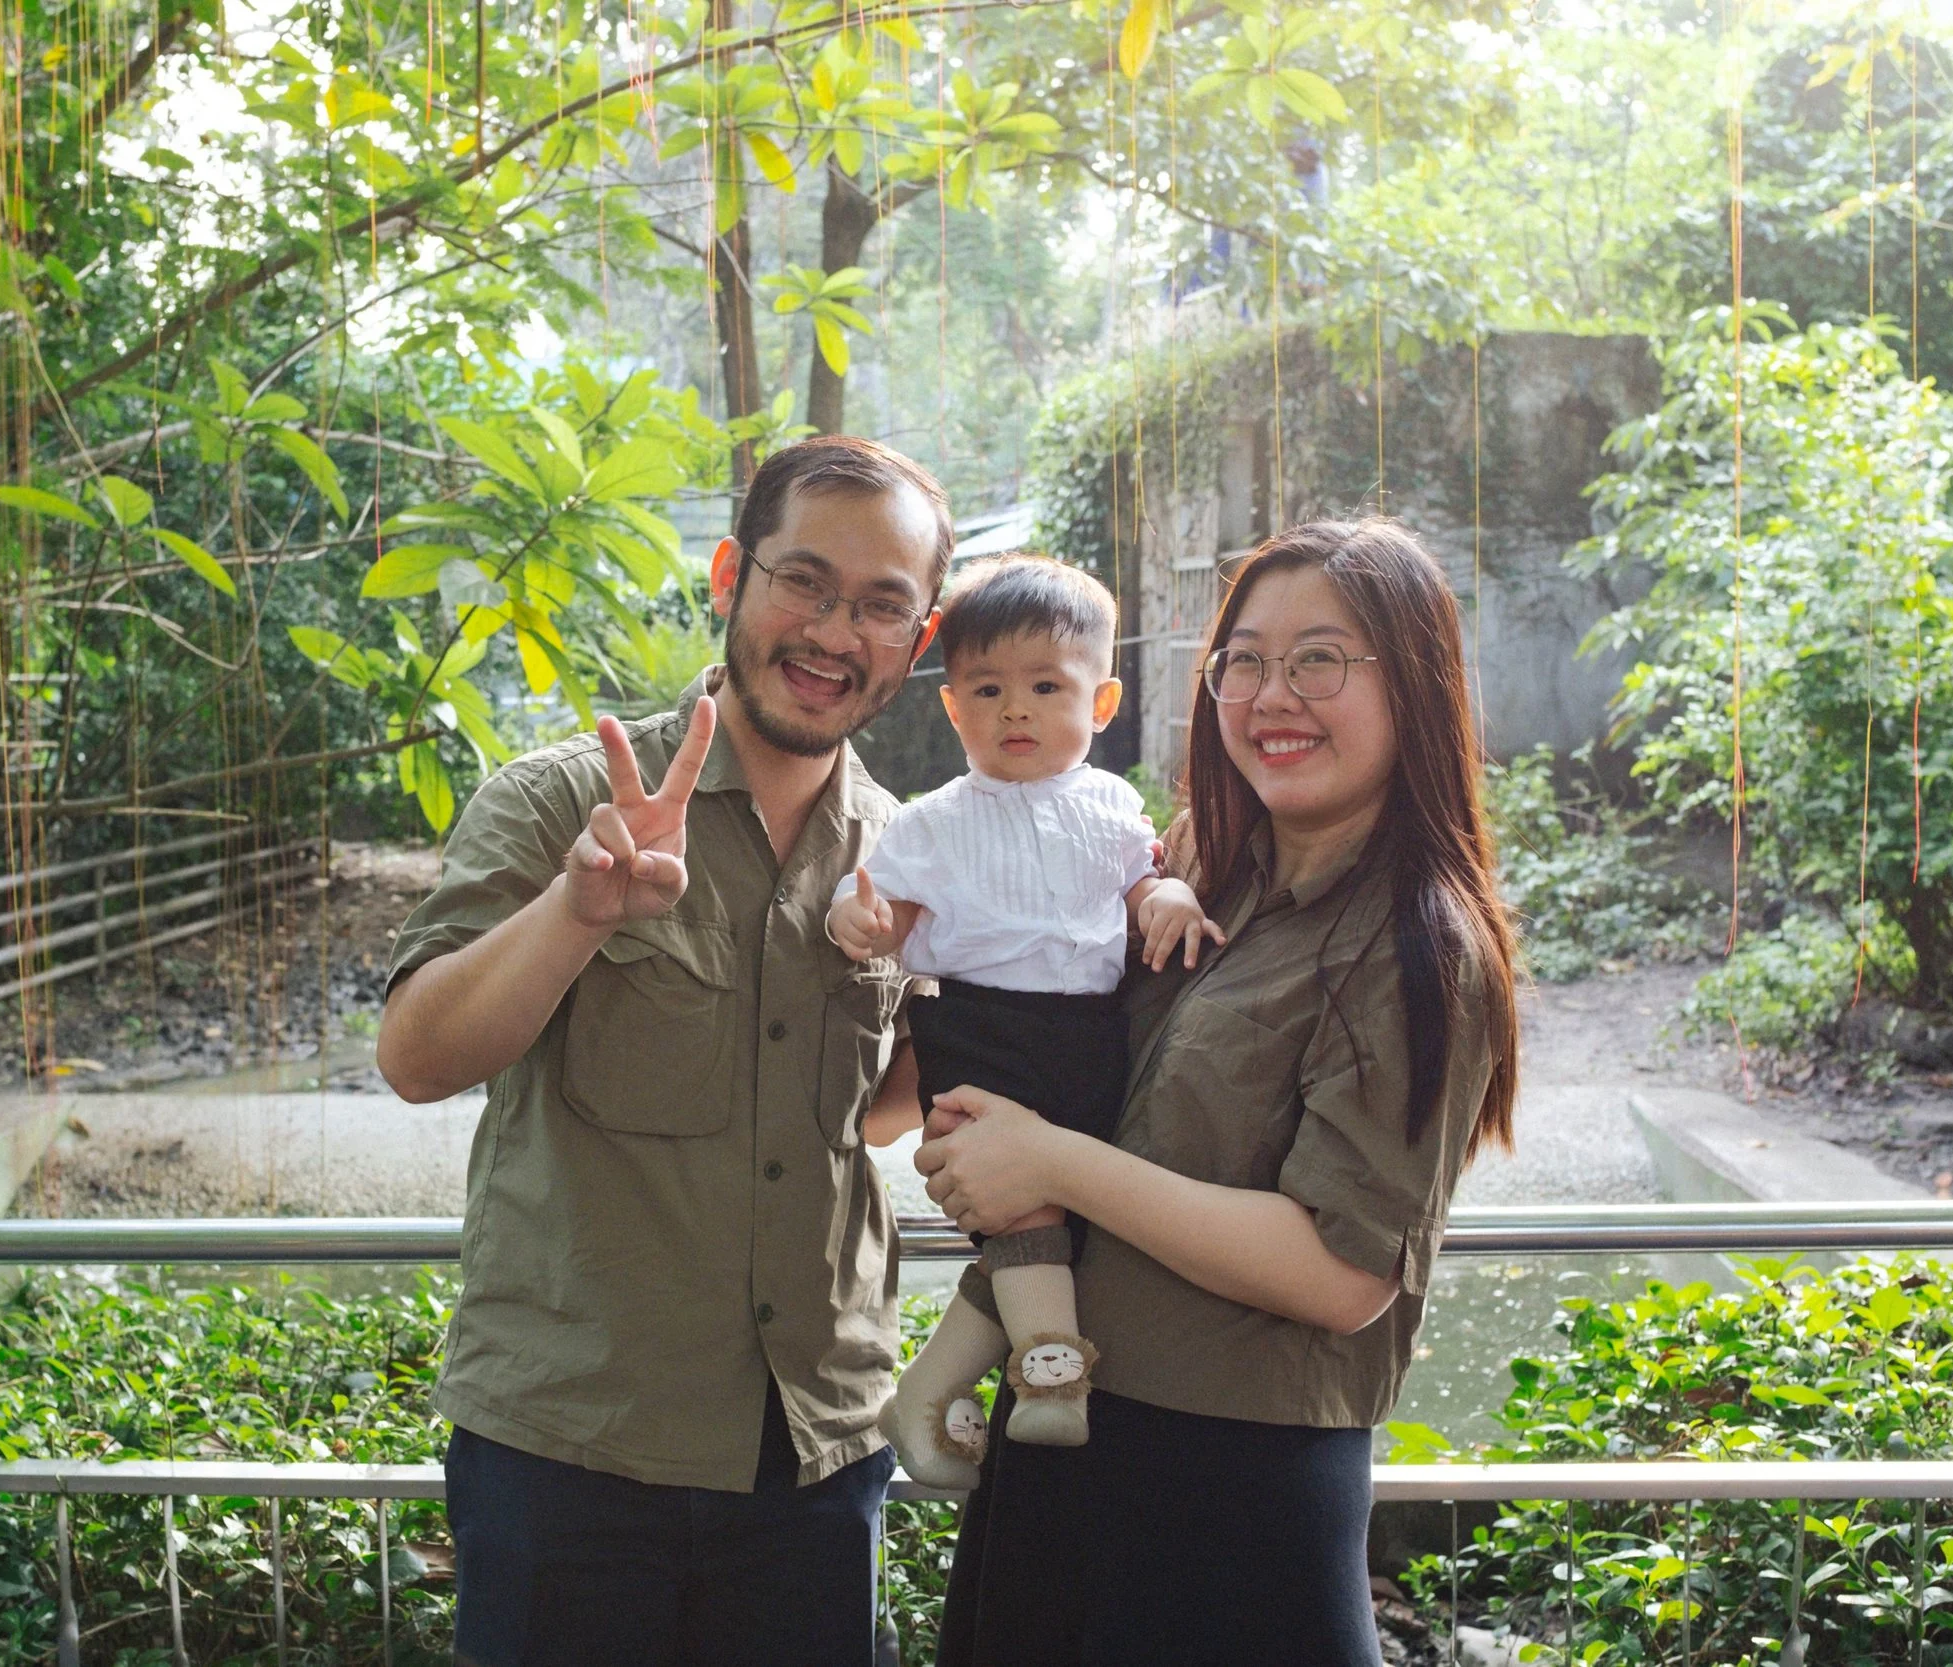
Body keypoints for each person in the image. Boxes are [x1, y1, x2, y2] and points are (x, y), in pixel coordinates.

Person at [375, 434, 953, 1667]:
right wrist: (576, 913)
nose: (833, 630)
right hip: (573, 1451)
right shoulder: (560, 800)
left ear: (920, 635)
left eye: (881, 604)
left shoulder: (915, 858)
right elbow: (417, 1055)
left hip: (817, 1447)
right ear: (728, 574)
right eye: (803, 579)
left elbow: (881, 1114)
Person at [913, 518, 1521, 1667]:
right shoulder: (1193, 874)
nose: (1271, 693)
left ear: (1418, 685)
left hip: (1232, 1490)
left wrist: (1046, 1160)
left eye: (1319, 659)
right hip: (1067, 1430)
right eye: (1243, 659)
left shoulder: (1414, 943)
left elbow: (1340, 1274)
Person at [821, 554, 1220, 1488]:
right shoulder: (933, 821)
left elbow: (1139, 884)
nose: (1016, 710)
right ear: (952, 706)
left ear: (1103, 700)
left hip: (1091, 1034)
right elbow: (884, 914)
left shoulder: (1114, 803)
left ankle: (925, 1394)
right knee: (1028, 1204)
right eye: (988, 689)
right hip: (981, 1032)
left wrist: (1167, 898)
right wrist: (863, 920)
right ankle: (1050, 1369)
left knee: (1058, 1218)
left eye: (1047, 686)